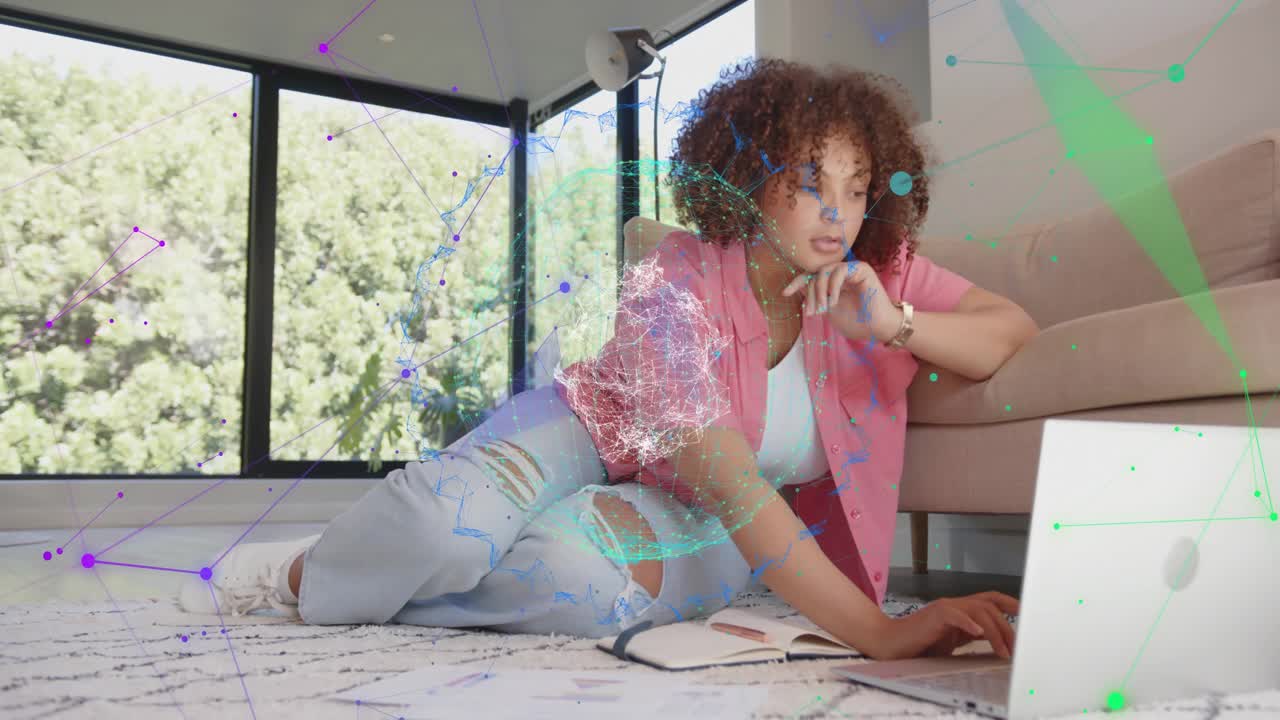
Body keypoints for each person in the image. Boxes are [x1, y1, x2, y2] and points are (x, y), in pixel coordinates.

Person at [179, 58, 1039, 661]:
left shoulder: (871, 279)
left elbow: (1008, 329)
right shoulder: (677, 277)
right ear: (750, 174)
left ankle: (382, 576)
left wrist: (893, 323)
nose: (837, 213)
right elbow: (727, 471)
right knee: (439, 526)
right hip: (590, 432)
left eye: (856, 188)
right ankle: (306, 570)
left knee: (571, 584)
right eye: (811, 179)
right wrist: (878, 632)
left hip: (705, 515)